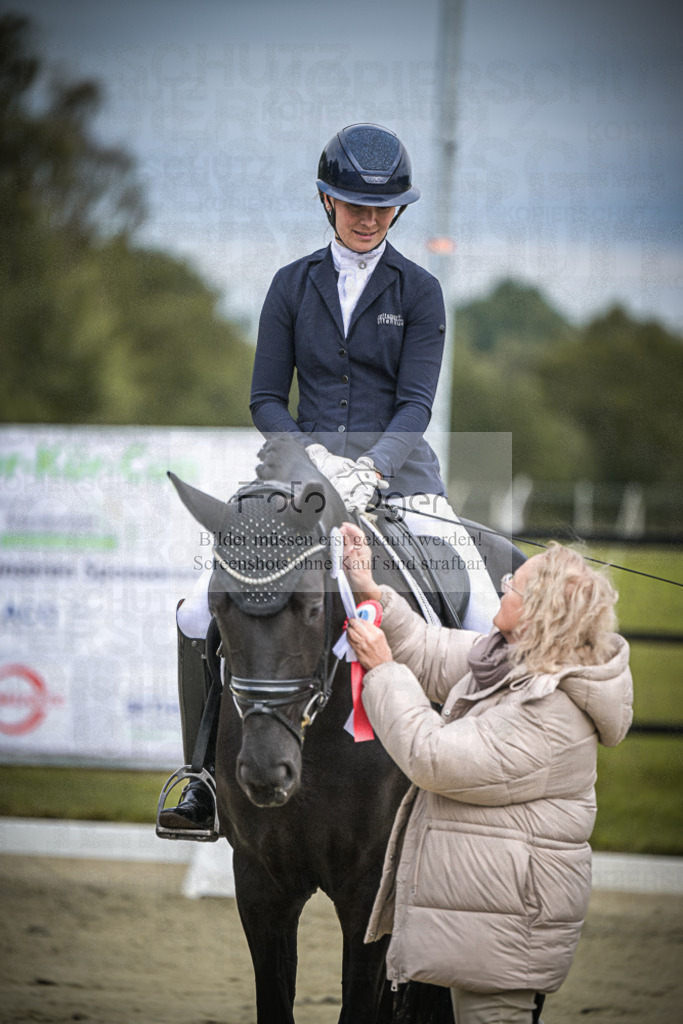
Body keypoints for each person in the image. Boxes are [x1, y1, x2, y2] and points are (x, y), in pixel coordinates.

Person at [158, 122, 500, 835]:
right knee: (196, 611)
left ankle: (480, 781)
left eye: (381, 206)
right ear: (324, 198)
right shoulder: (290, 284)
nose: (367, 217)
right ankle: (199, 780)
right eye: (351, 202)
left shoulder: (422, 291)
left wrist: (372, 465)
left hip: (402, 481)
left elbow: (415, 404)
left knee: (482, 616)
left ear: (398, 210)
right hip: (296, 487)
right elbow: (263, 400)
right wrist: (311, 463)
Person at [340, 523, 633, 1024]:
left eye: (513, 585)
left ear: (540, 612)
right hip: (484, 915)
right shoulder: (516, 662)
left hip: (506, 931)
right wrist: (371, 592)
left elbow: (433, 758)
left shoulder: (552, 710)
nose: (502, 586)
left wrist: (384, 671)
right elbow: (429, 650)